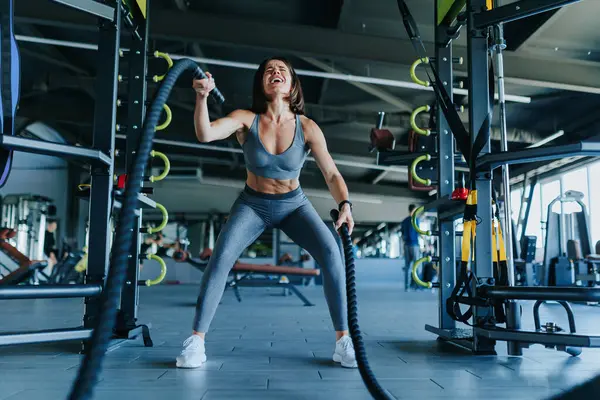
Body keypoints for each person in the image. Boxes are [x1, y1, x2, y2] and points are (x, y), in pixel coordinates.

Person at [176, 57, 357, 369]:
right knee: (220, 259)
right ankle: (196, 342)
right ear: (262, 83)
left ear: (291, 85)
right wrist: (202, 96)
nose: (276, 73)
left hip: (294, 205)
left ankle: (343, 341)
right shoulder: (246, 119)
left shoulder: (308, 127)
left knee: (331, 251)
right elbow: (205, 133)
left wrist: (345, 205)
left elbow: (332, 175)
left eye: (282, 70)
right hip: (253, 204)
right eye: (269, 70)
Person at [400, 204, 421, 291]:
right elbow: (419, 232)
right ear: (414, 210)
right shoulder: (415, 220)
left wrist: (403, 248)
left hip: (406, 245)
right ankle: (416, 286)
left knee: (407, 266)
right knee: (416, 266)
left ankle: (407, 286)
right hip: (414, 245)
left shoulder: (404, 221)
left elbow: (402, 235)